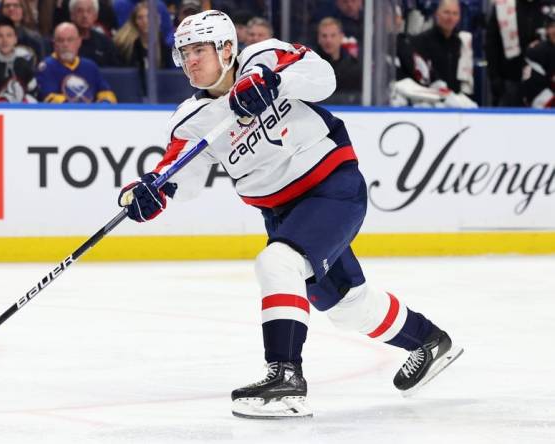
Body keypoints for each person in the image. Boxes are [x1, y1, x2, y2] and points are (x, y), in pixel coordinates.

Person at [116, 9, 463, 419]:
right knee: (348, 306)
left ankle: (285, 378)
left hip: (333, 187)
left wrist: (274, 81)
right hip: (283, 214)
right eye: (183, 53)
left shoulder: (264, 57)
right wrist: (150, 193)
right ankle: (430, 341)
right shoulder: (190, 121)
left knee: (276, 261)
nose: (190, 61)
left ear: (227, 49)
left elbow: (324, 77)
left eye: (199, 50)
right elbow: (177, 177)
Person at [485, 0, 549, 106]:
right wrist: (494, 78)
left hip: (543, 86)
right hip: (509, 81)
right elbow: (491, 45)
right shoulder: (503, 8)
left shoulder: (549, 7)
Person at [36, 22, 116, 103]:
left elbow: (106, 93)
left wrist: (104, 105)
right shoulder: (46, 67)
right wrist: (78, 110)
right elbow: (50, 97)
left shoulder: (90, 66)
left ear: (79, 42)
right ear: (54, 44)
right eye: (60, 40)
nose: (65, 44)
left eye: (70, 40)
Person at [410, 0, 473, 98]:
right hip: (429, 101)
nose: (450, 17)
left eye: (454, 13)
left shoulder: (460, 42)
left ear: (459, 17)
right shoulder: (422, 41)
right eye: (446, 12)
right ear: (437, 14)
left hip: (455, 101)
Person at [0, 16, 38, 102]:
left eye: (9, 35)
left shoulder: (23, 62)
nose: (5, 40)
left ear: (15, 39)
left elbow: (33, 92)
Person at [113, 1, 173, 69]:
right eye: (140, 17)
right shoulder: (124, 47)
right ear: (135, 21)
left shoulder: (164, 49)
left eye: (149, 16)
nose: (145, 21)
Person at [316, 17, 361, 103]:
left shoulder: (353, 66)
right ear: (319, 38)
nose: (328, 40)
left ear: (341, 37)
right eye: (324, 36)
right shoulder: (312, 64)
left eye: (333, 35)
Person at [69, 0, 121, 66]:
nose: (85, 15)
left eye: (89, 11)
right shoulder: (63, 41)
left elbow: (117, 71)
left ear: (95, 16)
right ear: (72, 15)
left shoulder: (105, 43)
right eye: (80, 11)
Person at [0, 0, 48, 66]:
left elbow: (40, 66)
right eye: (7, 6)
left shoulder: (34, 39)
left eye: (16, 5)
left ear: (23, 10)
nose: (11, 8)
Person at [523, 16, 555, 108]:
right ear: (547, 30)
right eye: (552, 26)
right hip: (544, 105)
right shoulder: (537, 52)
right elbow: (532, 88)